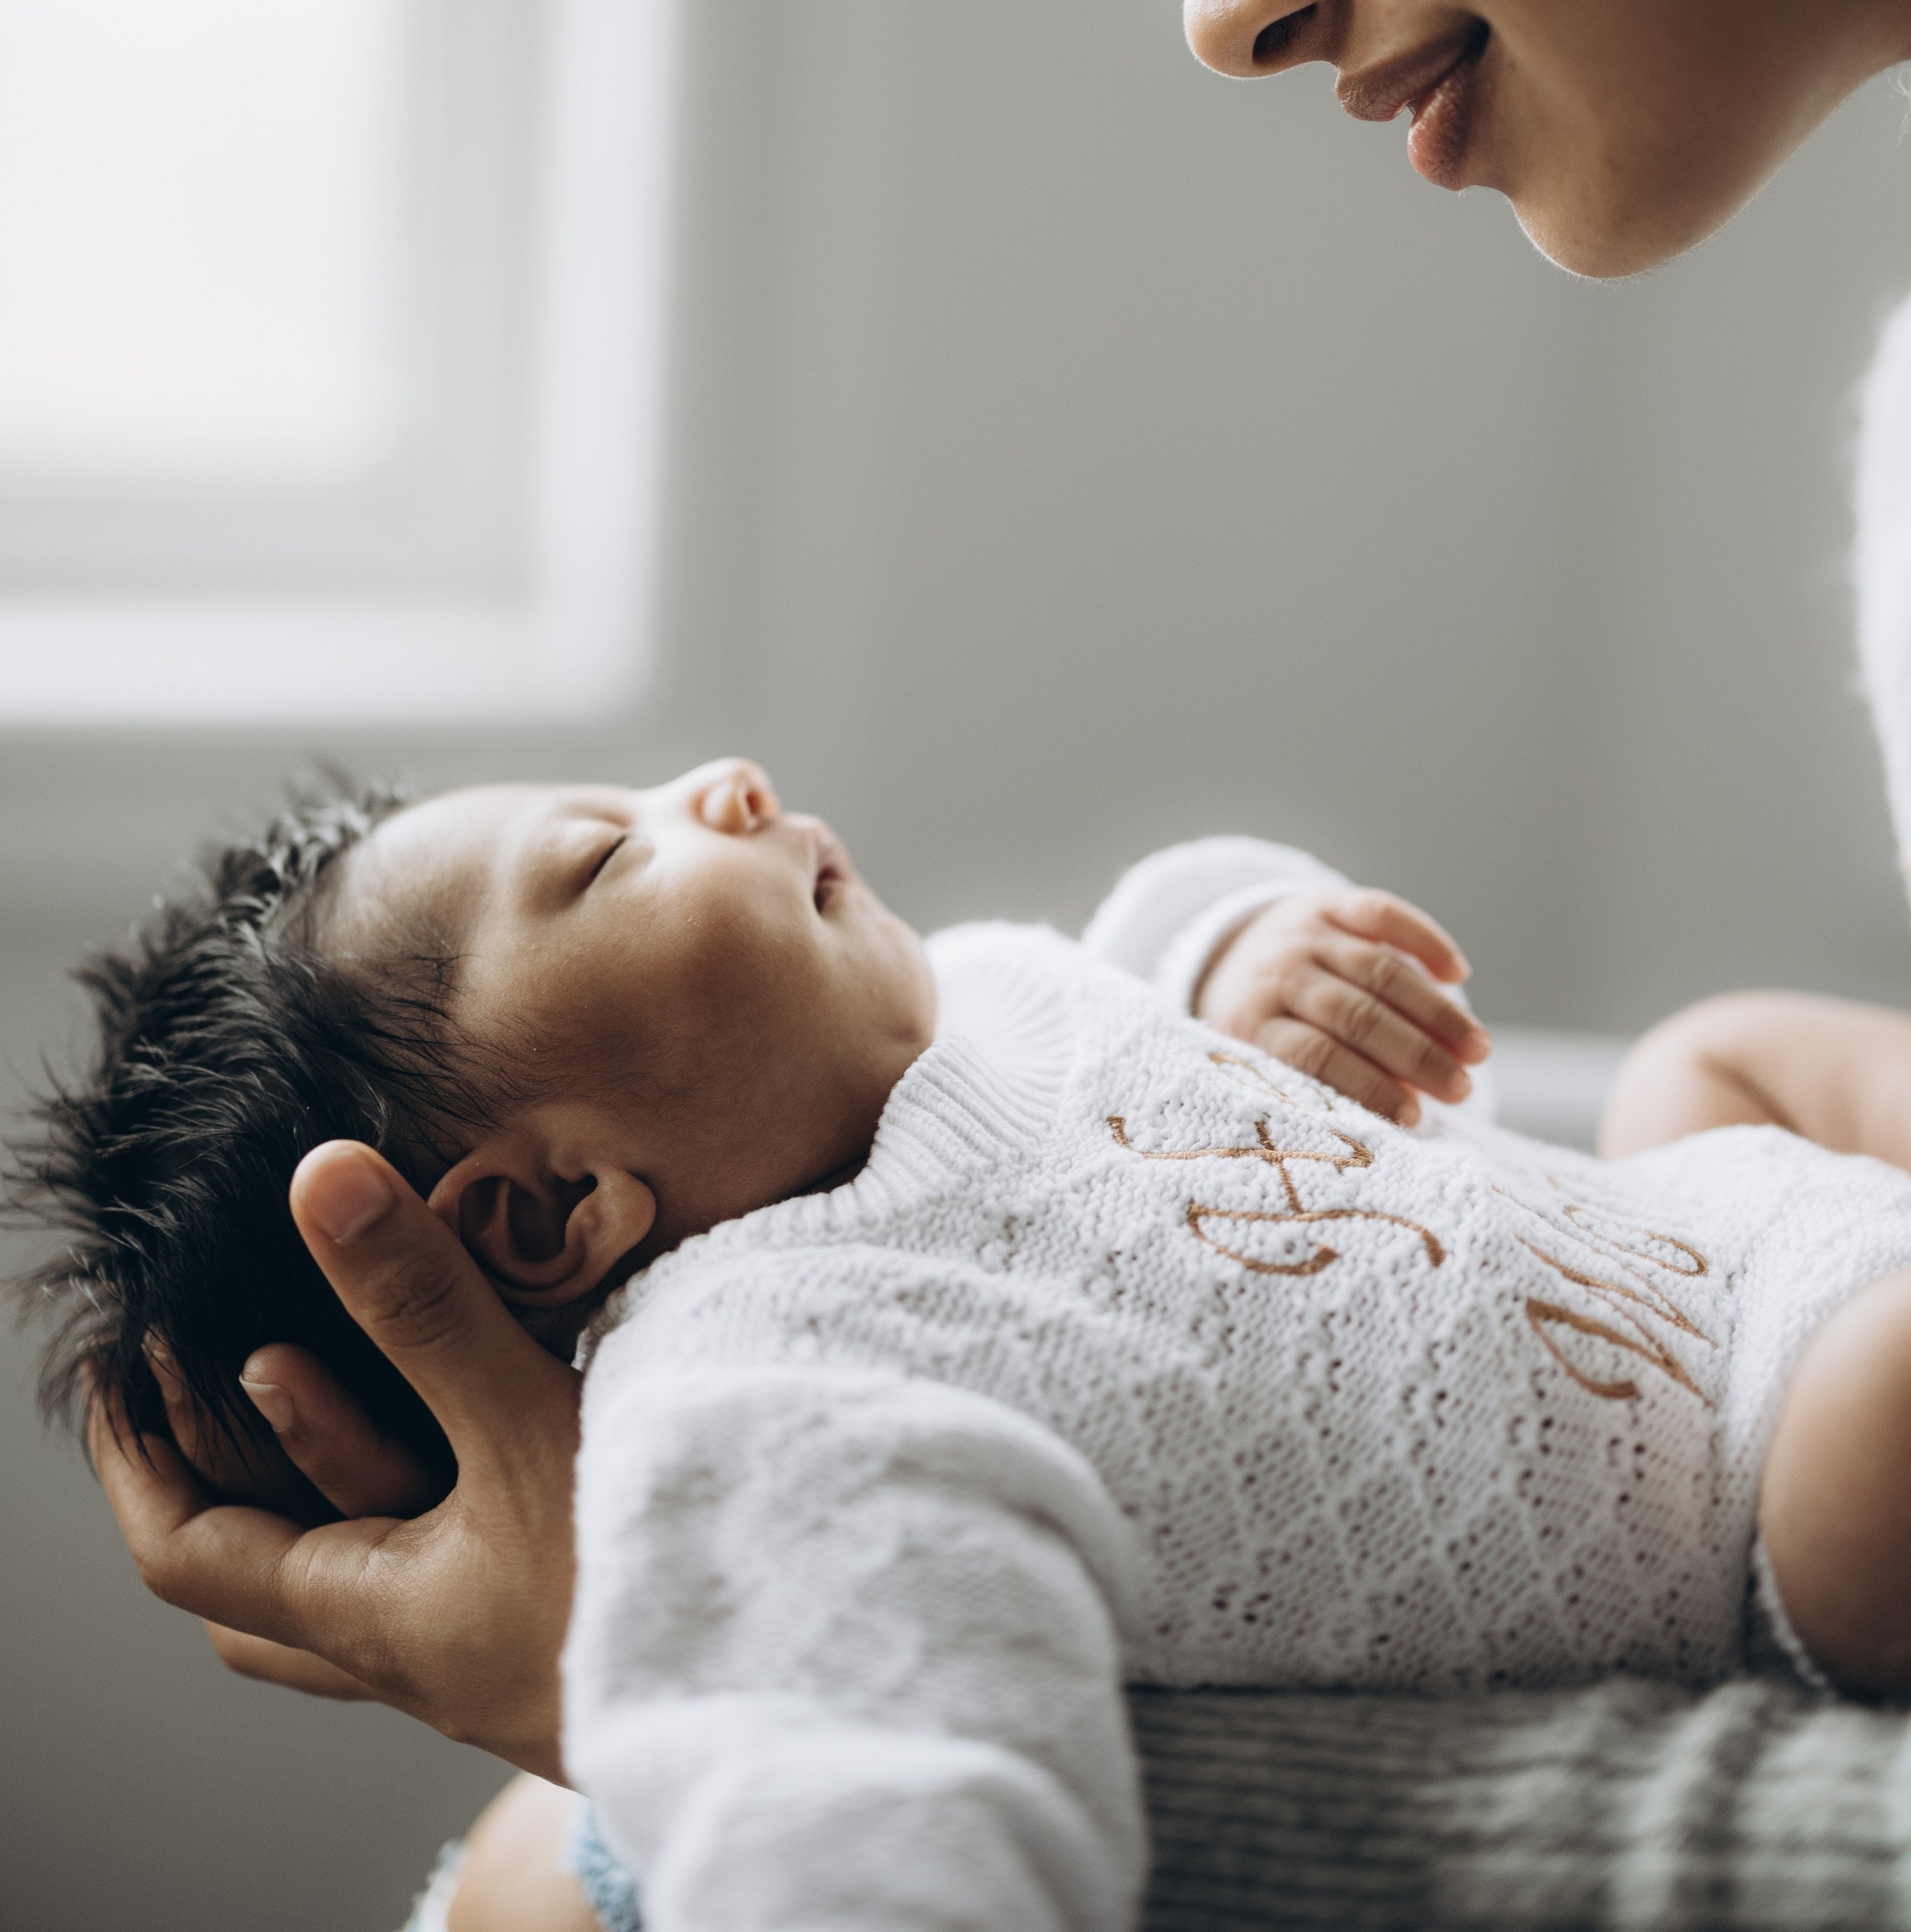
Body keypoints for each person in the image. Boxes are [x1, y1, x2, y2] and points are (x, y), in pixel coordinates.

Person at [82, 0, 1911, 1925]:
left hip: (1746, 1381)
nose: (1218, 0)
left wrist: (630, 1751)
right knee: (1710, 1073)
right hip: (1732, 1326)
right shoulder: (812, 1324)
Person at [37, 759, 1911, 1929]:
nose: (724, 785)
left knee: (1710, 1056)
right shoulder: (774, 1383)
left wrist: (1249, 951)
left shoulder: (969, 1003)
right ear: (553, 1213)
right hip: (1749, 1504)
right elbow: (856, 1783)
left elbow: (1140, 954)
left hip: (1709, 1242)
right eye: (606, 861)